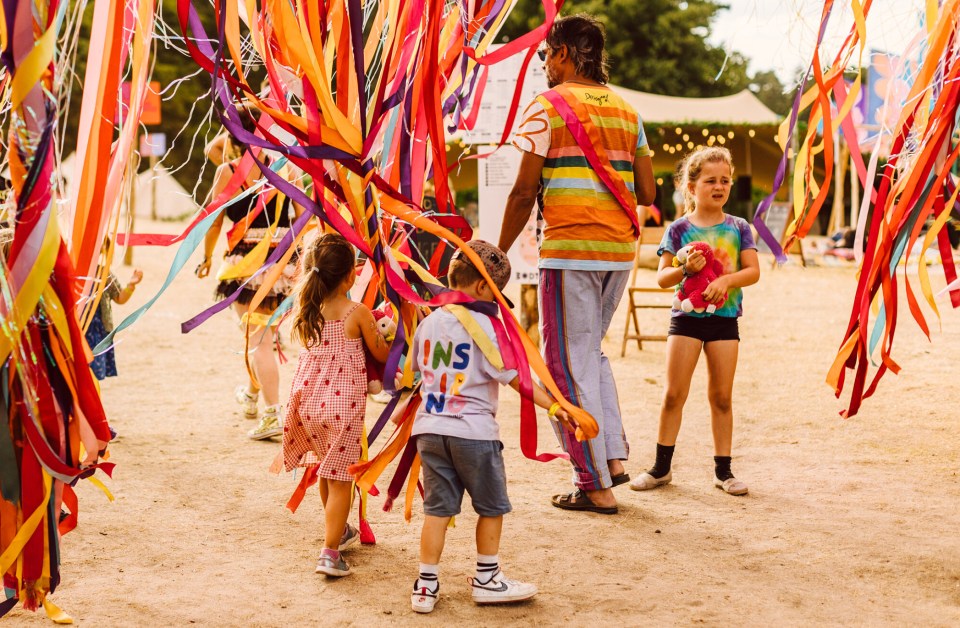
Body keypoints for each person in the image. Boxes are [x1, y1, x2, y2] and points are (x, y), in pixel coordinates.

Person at [499, 14, 656, 514]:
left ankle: (592, 483)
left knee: (561, 367)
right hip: (618, 251)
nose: (545, 63)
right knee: (591, 353)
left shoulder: (547, 107)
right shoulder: (629, 112)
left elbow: (525, 190)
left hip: (569, 251)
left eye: (547, 54)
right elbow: (649, 193)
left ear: (564, 52)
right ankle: (611, 458)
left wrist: (496, 253)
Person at [409, 240, 577, 614]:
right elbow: (518, 380)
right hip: (474, 434)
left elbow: (417, 370)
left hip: (431, 431)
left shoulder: (430, 320)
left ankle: (426, 584)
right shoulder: (488, 326)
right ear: (485, 288)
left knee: (437, 511)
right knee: (491, 507)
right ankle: (487, 578)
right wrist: (557, 407)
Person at [629, 147, 759, 496]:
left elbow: (752, 270)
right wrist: (686, 269)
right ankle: (661, 468)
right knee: (674, 394)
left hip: (725, 321)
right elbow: (662, 278)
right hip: (685, 319)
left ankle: (724, 471)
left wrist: (725, 281)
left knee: (721, 397)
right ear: (691, 185)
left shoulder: (739, 227)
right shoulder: (678, 229)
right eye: (710, 180)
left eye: (725, 181)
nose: (719, 187)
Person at [280, 233, 392, 577]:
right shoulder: (357, 312)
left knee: (326, 469)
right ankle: (329, 553)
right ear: (351, 275)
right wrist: (392, 333)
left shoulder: (307, 308)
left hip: (308, 404)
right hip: (341, 411)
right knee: (342, 477)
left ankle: (340, 531)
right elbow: (382, 355)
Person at [195, 133, 302, 439]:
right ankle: (253, 396)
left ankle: (271, 414)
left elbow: (215, 221)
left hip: (244, 266)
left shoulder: (228, 171)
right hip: (281, 264)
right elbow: (302, 214)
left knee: (259, 341)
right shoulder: (285, 167)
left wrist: (205, 258)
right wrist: (284, 247)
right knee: (262, 336)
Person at [85, 238, 143, 381]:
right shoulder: (74, 272)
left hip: (99, 331)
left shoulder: (105, 274)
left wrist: (131, 285)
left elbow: (119, 298)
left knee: (93, 374)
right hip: (80, 330)